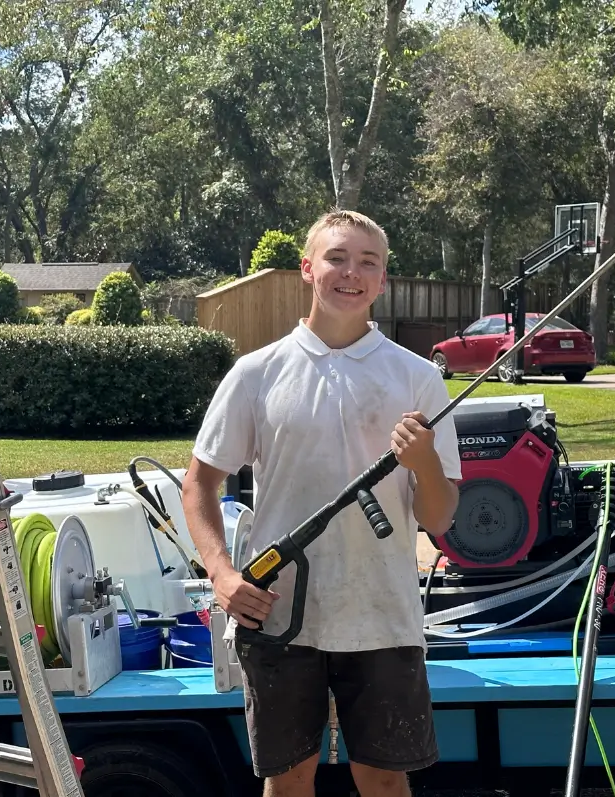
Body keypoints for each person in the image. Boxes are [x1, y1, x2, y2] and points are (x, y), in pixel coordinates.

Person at [180, 209, 462, 797]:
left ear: (383, 281)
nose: (350, 273)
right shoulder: (255, 373)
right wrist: (223, 575)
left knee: (384, 780)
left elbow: (439, 520)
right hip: (280, 615)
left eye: (368, 262)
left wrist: (425, 464)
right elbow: (199, 486)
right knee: (288, 783)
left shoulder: (416, 379)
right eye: (336, 257)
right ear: (307, 269)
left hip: (382, 615)